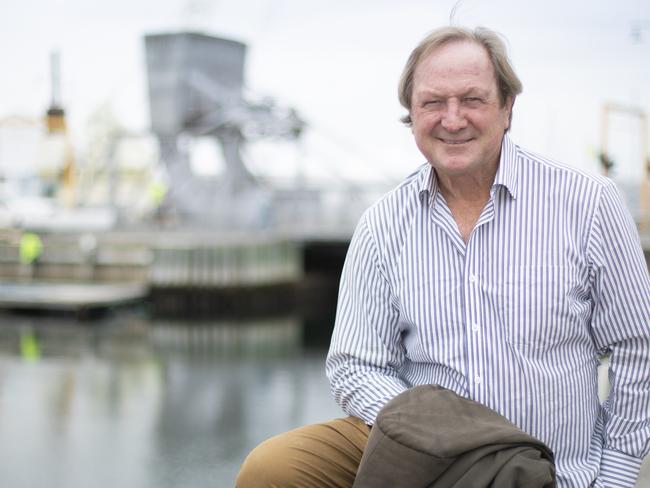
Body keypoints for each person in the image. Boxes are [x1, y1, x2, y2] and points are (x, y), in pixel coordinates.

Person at [237, 26, 650, 487]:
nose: (452, 120)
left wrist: (615, 478)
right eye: (433, 103)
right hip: (418, 454)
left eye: (471, 99)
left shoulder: (589, 204)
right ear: (412, 116)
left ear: (507, 107)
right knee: (273, 470)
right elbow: (355, 364)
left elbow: (637, 349)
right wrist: (437, 437)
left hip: (540, 466)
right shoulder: (382, 224)